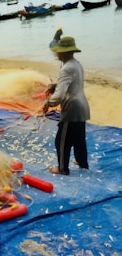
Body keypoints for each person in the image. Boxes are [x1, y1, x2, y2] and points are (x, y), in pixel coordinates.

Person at [42, 36, 90, 175]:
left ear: (63, 52)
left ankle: (62, 168)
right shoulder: (76, 64)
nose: (56, 54)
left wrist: (48, 103)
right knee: (78, 137)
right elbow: (71, 84)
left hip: (72, 109)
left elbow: (60, 95)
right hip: (82, 105)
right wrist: (53, 87)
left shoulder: (66, 69)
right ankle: (82, 162)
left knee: (61, 141)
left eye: (57, 52)